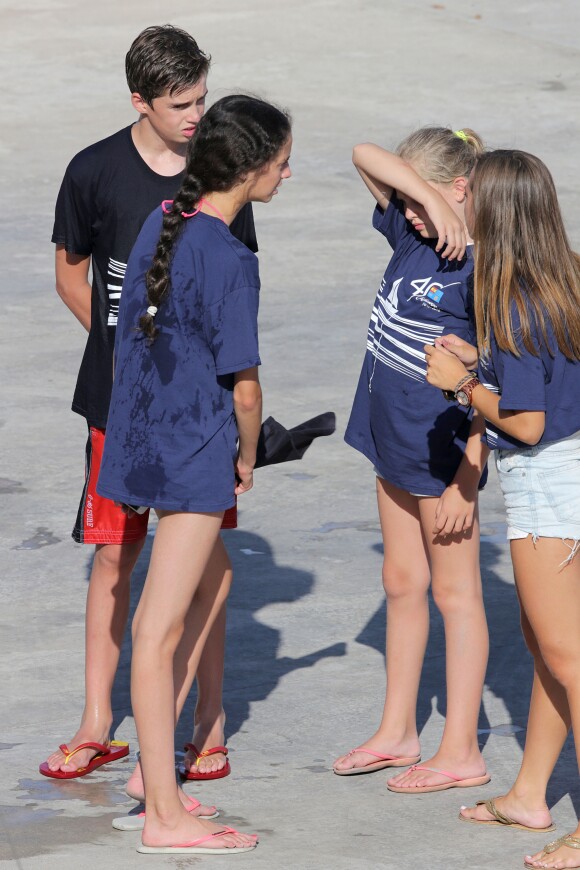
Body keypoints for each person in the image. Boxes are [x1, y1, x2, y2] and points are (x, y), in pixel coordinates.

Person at [41, 25, 257, 782]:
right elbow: (72, 276)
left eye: (202, 97)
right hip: (117, 402)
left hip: (197, 417)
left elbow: (231, 298)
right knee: (114, 555)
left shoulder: (218, 173)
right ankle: (98, 719)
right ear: (141, 100)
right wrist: (134, 354)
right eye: (180, 104)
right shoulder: (94, 171)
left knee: (201, 565)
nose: (197, 116)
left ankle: (209, 720)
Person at [95, 93, 292, 854]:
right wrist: (248, 456)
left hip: (141, 441)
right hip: (192, 451)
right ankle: (162, 816)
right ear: (248, 168)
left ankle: (162, 793)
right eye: (281, 162)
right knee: (157, 630)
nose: (286, 173)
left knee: (173, 612)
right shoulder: (230, 256)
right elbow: (245, 388)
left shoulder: (163, 222)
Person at [424, 149, 580, 870]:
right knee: (552, 650)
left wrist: (461, 382)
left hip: (546, 485)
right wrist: (481, 365)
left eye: (471, 190)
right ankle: (528, 794)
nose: (462, 194)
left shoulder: (513, 300)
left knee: (568, 658)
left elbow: (526, 423)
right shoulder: (562, 277)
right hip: (571, 474)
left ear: (498, 211)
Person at [333, 127, 492, 795]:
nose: (407, 212)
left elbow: (501, 388)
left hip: (443, 459)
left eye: (420, 203)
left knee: (456, 595)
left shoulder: (479, 268)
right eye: (405, 201)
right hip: (388, 443)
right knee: (402, 583)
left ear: (463, 191)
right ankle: (399, 729)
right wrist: (424, 197)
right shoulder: (413, 234)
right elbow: (361, 152)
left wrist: (468, 476)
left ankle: (460, 749)